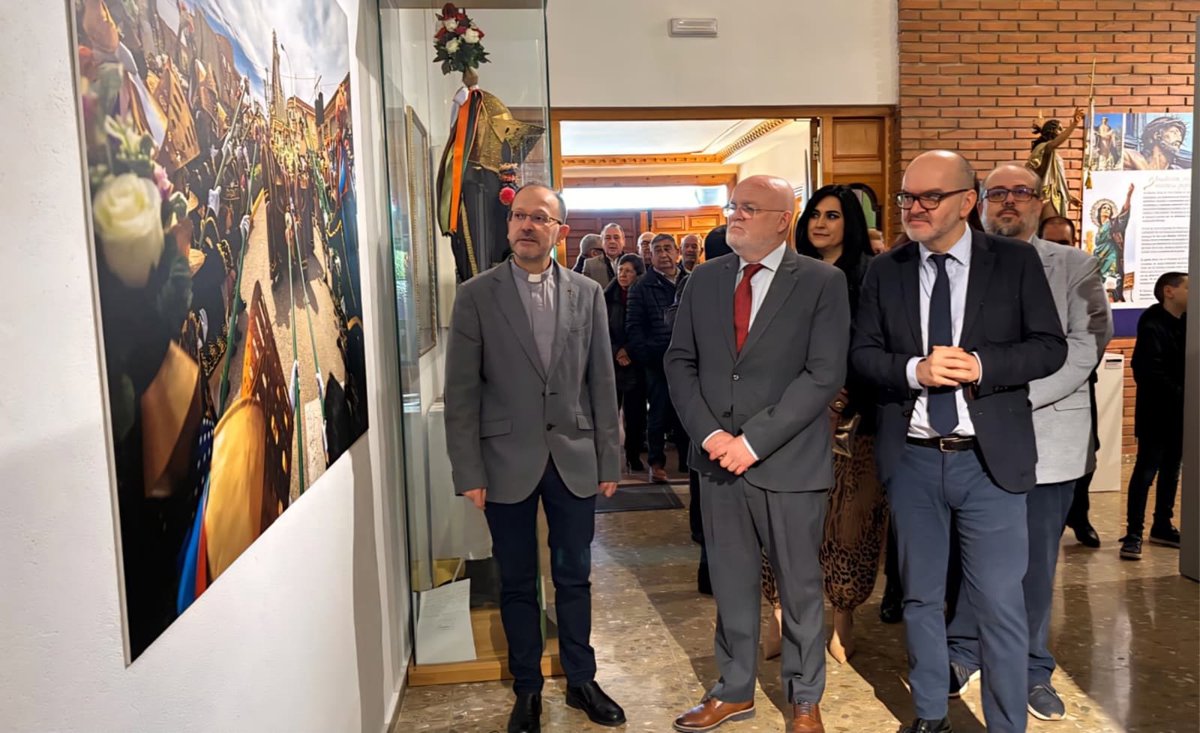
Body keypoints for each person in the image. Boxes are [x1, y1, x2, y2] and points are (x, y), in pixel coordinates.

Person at [851, 150, 1066, 733]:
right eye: (906, 197)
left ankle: (1005, 724)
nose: (913, 208)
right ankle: (929, 715)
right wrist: (913, 371)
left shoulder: (1014, 262)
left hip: (989, 463)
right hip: (913, 460)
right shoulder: (886, 269)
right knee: (920, 597)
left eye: (930, 197)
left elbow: (1050, 346)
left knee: (999, 603)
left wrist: (981, 365)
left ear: (968, 201)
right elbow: (862, 354)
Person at [667, 175, 850, 733]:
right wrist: (710, 436)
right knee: (731, 582)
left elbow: (823, 375)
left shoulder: (822, 282)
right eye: (733, 206)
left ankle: (804, 699)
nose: (736, 215)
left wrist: (752, 442)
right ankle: (733, 689)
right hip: (718, 464)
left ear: (782, 220)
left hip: (788, 463)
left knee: (799, 587)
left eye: (749, 207)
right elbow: (680, 362)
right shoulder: (704, 278)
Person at [444, 184, 625, 733]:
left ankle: (581, 679)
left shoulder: (587, 293)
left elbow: (602, 380)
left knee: (574, 575)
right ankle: (527, 688)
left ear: (559, 231)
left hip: (573, 457)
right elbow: (462, 393)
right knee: (518, 580)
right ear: (509, 226)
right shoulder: (476, 295)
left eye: (539, 218)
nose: (526, 225)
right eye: (519, 216)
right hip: (504, 461)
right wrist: (468, 470)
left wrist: (610, 460)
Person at [945, 163, 1111, 722]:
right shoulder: (957, 262)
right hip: (971, 438)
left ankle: (1032, 668)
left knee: (1035, 564)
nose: (1009, 202)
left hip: (1046, 437)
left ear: (1040, 203)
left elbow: (1085, 348)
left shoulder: (1074, 265)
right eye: (997, 193)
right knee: (971, 555)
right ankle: (963, 651)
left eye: (1022, 192)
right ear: (978, 202)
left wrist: (1010, 401)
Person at [758, 184, 880, 664]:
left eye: (832, 215)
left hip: (852, 419)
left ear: (850, 222)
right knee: (783, 518)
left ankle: (843, 616)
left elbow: (875, 344)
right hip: (790, 415)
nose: (820, 223)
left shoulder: (869, 276)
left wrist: (842, 393)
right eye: (814, 214)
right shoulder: (786, 272)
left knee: (847, 525)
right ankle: (778, 613)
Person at [1039, 215, 1103, 547]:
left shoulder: (1080, 270)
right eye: (1050, 241)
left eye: (1063, 242)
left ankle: (1080, 516)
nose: (1056, 248)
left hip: (1072, 386)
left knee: (1085, 455)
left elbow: (1091, 338)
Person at [1121, 271, 1189, 560]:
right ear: (1169, 292)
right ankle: (1133, 533)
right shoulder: (1152, 324)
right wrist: (1183, 393)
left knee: (1172, 469)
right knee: (1146, 470)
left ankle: (1162, 525)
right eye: (1189, 287)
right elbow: (1148, 371)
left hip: (1181, 411)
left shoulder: (1188, 321)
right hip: (1156, 411)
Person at [627, 233, 685, 484]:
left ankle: (687, 461)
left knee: (687, 412)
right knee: (658, 414)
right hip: (657, 360)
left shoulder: (690, 280)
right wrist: (646, 355)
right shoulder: (641, 286)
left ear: (677, 252)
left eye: (668, 249)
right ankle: (656, 462)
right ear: (649, 256)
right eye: (657, 250)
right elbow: (634, 326)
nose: (663, 254)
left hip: (687, 360)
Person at [605, 253, 648, 473]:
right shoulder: (606, 296)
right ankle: (608, 458)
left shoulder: (644, 295)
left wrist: (628, 350)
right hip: (611, 362)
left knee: (635, 414)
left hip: (635, 361)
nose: (623, 274)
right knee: (608, 413)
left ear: (638, 274)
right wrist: (616, 352)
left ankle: (633, 455)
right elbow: (601, 329)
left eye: (628, 271)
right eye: (621, 269)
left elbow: (644, 327)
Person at [1026, 108, 1084, 219]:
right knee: (1051, 226)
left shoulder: (1053, 153)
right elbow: (1052, 146)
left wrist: (1070, 197)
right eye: (1059, 129)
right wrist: (1074, 124)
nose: (1061, 132)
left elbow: (1055, 181)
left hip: (1056, 196)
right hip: (1047, 198)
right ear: (1052, 131)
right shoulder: (1044, 148)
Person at [1093, 184, 1134, 302]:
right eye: (1104, 208)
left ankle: (1112, 299)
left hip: (1111, 256)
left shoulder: (1113, 223)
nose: (1106, 209)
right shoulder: (1099, 229)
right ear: (1099, 211)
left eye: (1109, 208)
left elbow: (1123, 215)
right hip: (1099, 257)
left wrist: (1128, 196)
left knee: (1111, 280)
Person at [1123, 116, 1189, 170]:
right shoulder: (1130, 157)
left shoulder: (1177, 171)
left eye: (1180, 135)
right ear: (1156, 135)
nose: (1179, 138)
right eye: (1174, 132)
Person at [583, 222, 625, 287]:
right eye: (607, 238)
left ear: (623, 241)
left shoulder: (634, 262)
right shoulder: (590, 265)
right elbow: (586, 290)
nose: (612, 241)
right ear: (602, 242)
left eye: (616, 238)